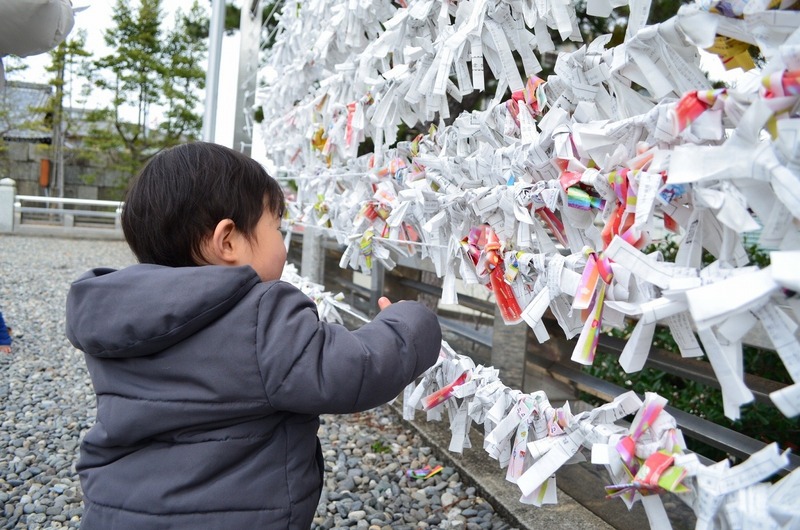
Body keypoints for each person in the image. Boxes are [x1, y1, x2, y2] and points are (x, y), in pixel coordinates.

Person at [65, 142, 442, 529]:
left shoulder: (117, 317)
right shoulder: (260, 314)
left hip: (116, 512)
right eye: (275, 229)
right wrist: (409, 321)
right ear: (227, 241)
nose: (282, 245)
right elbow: (357, 370)